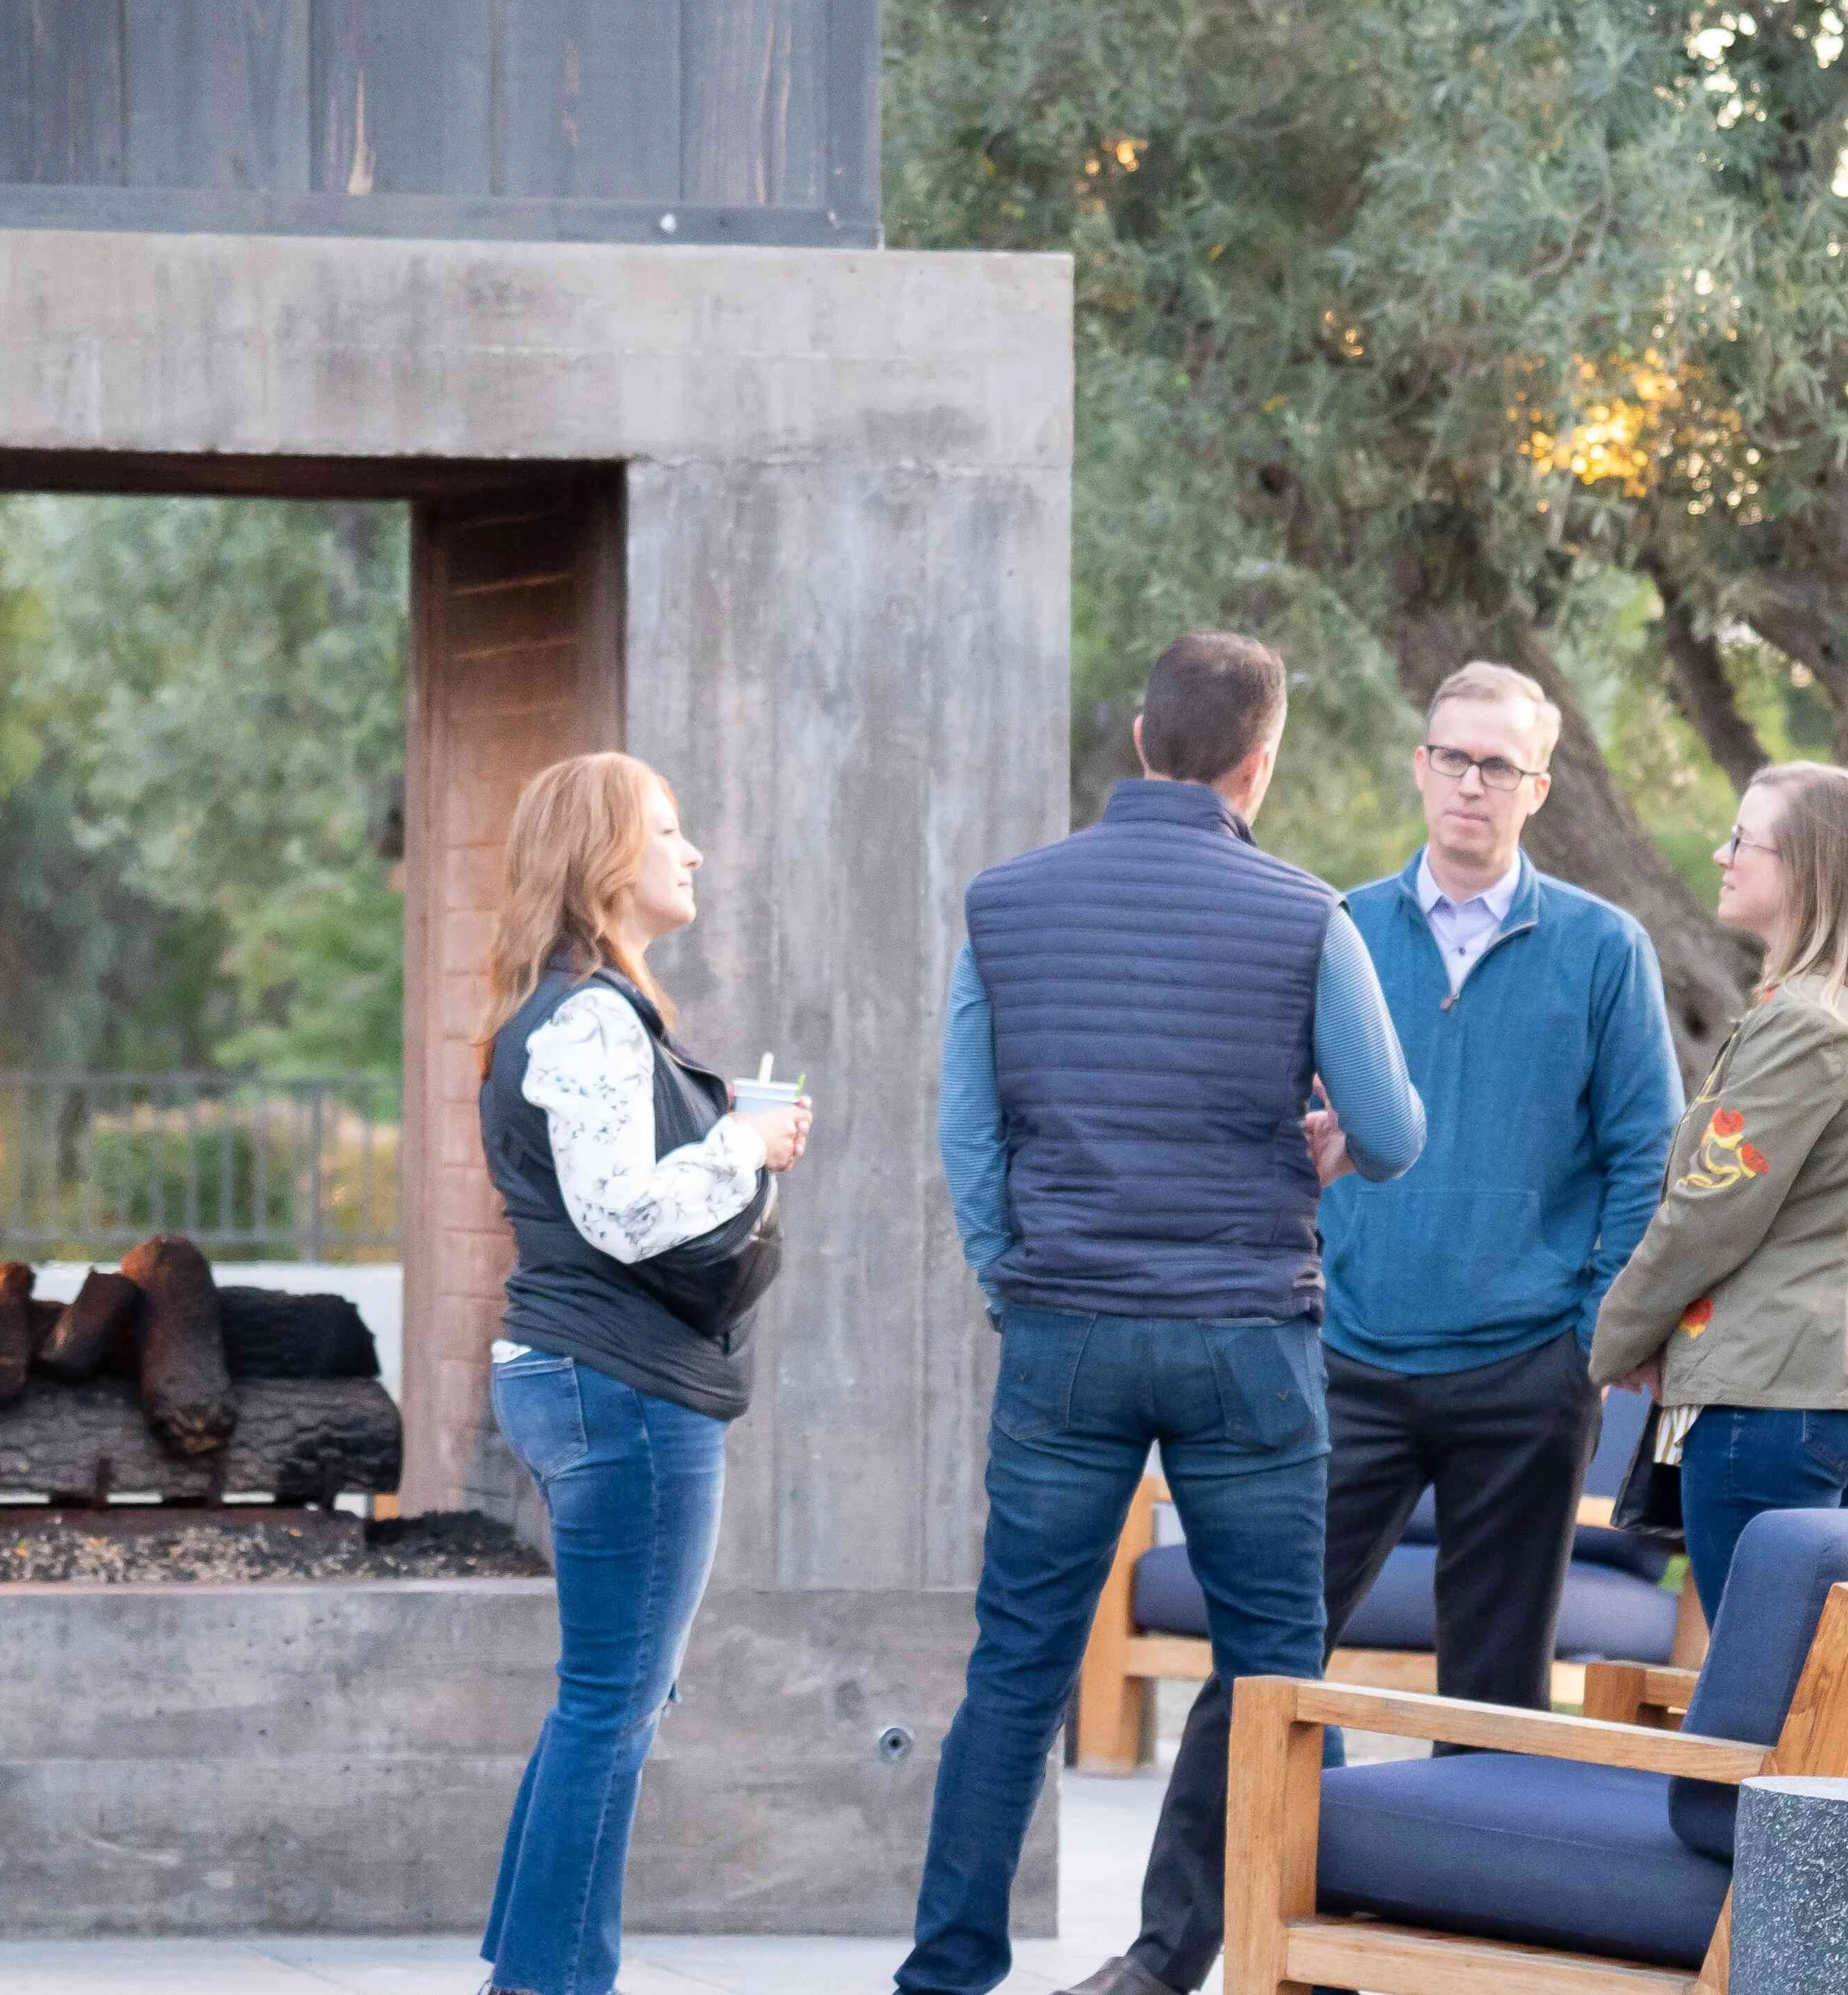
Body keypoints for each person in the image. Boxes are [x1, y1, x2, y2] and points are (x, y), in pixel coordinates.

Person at [1086, 661, 1682, 1995]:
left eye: (1500, 767)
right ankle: (1162, 1959)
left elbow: (1646, 1159)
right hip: (1343, 1365)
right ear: (1418, 766)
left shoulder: (1602, 950)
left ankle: (1467, 1965)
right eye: (1452, 757)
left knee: (1493, 1701)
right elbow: (1254, 1131)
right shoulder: (1330, 926)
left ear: (1539, 787)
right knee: (1263, 1668)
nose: (1472, 784)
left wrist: (1582, 1337)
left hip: (1526, 1382)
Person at [894, 631, 1426, 1995]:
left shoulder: (1005, 905)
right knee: (1274, 1681)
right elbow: (1392, 1127)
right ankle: (1292, 1970)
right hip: (1248, 1337)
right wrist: (1338, 1146)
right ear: (1263, 762)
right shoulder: (1308, 910)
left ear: (1141, 741)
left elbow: (968, 1136)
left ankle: (947, 1975)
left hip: (1065, 1329)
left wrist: (1017, 1276)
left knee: (1018, 1669)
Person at [472, 752, 814, 1995]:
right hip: (620, 1388)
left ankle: (530, 1966)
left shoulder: (568, 1012)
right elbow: (622, 1214)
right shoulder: (590, 1018)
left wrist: (736, 1142)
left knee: (601, 1704)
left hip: (577, 1377)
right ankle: (549, 1984)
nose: (694, 852)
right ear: (609, 865)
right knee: (614, 1708)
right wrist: (743, 1143)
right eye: (669, 831)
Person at [1589, 760, 1848, 1624]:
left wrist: (1611, 1343)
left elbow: (1709, 1214)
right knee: (1788, 1683)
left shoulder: (1807, 1020)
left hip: (1774, 1395)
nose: (1722, 855)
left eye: (1744, 841)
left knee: (1755, 1692)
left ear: (1809, 868)